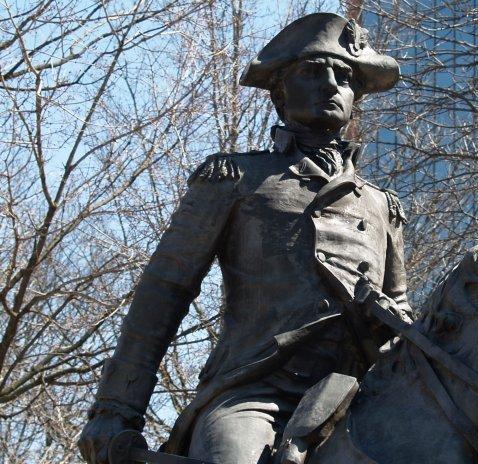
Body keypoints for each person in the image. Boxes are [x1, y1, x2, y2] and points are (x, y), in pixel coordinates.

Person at [78, 12, 410, 463]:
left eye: (344, 77)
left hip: (357, 396)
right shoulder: (236, 178)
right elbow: (163, 294)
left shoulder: (381, 205)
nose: (332, 84)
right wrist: (116, 410)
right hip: (255, 393)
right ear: (280, 91)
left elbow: (401, 313)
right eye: (313, 72)